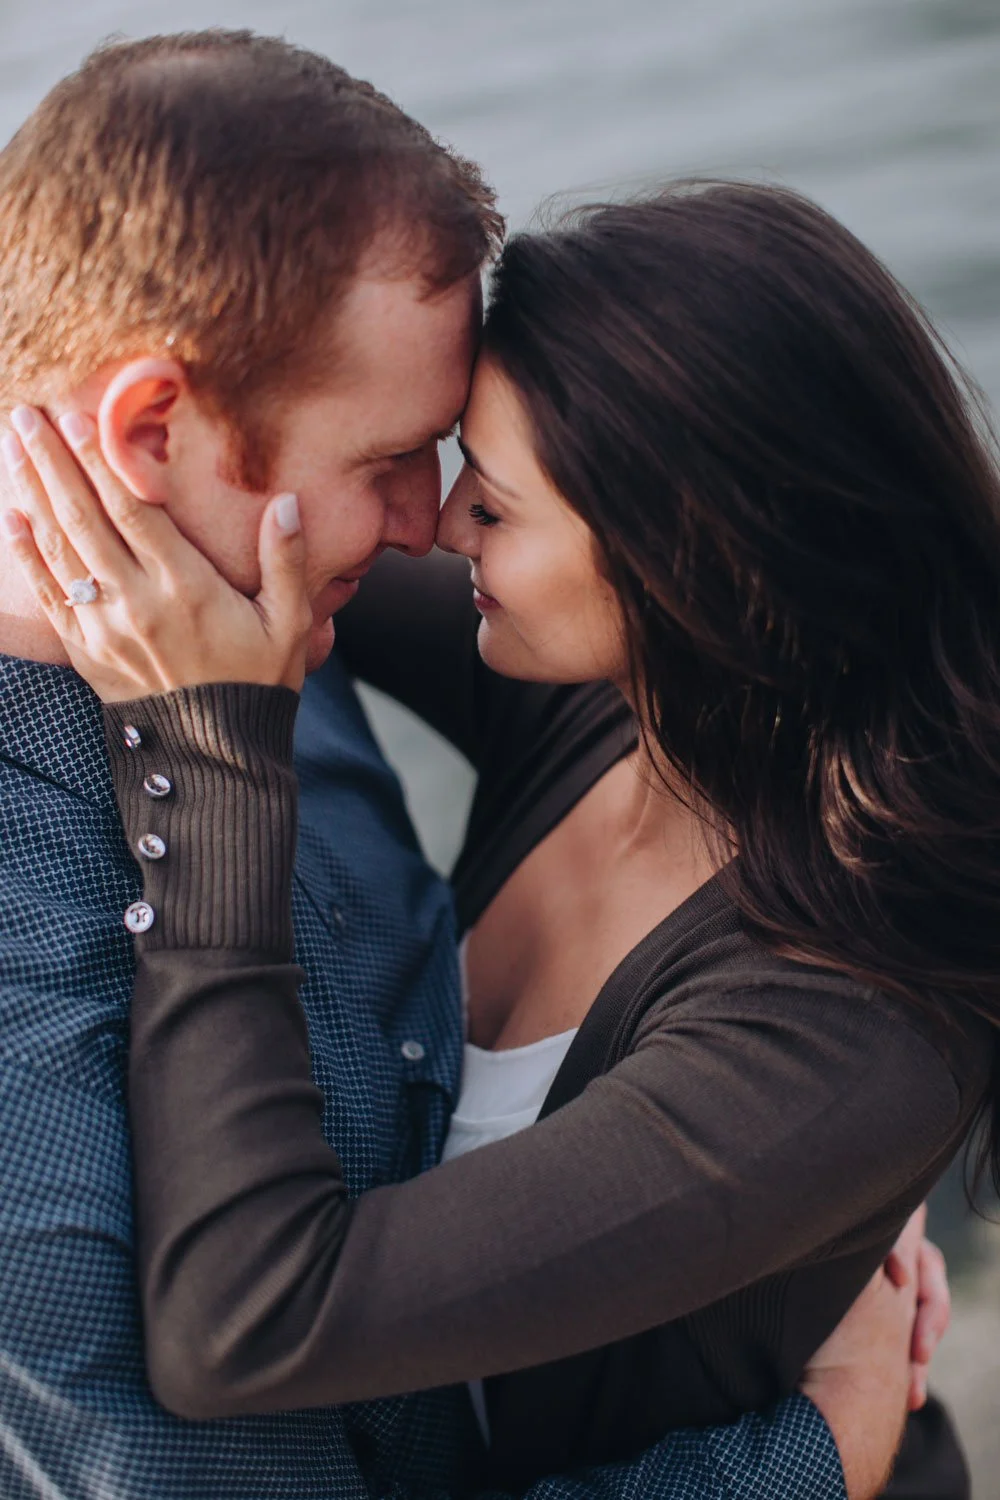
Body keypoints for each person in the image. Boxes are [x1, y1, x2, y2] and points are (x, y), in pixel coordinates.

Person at [0, 28, 911, 1500]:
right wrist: (804, 1455)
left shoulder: (265, 610)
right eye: (393, 466)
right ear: (154, 430)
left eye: (464, 479)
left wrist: (796, 1188)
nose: (431, 528)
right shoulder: (24, 1031)